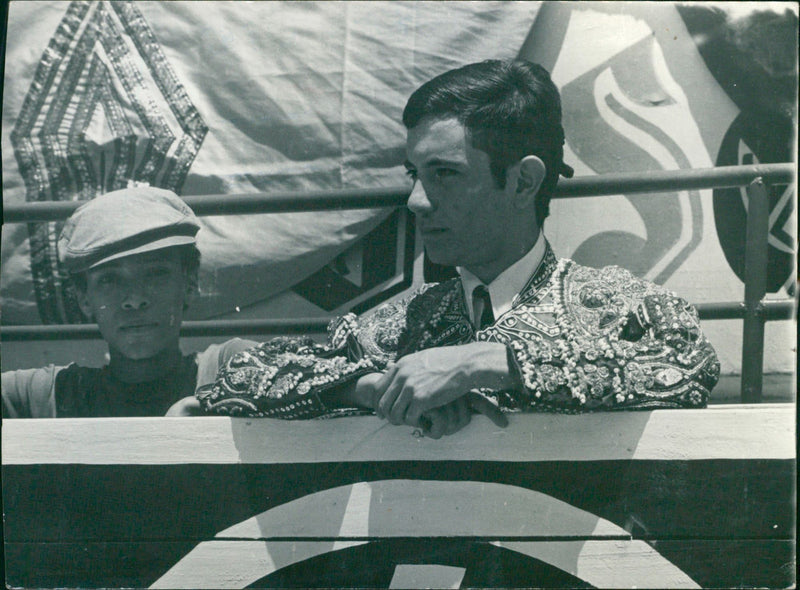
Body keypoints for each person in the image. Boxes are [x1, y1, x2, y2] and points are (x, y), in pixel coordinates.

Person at [196, 59, 720, 437]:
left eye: (444, 174)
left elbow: (689, 367)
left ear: (523, 183)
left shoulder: (619, 306)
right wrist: (370, 388)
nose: (416, 201)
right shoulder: (396, 327)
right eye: (414, 174)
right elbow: (237, 380)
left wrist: (491, 361)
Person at [1, 186, 255, 418]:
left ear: (189, 284)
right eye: (110, 280)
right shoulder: (52, 396)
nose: (134, 300)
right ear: (83, 298)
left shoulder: (225, 369)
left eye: (156, 274)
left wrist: (211, 404)